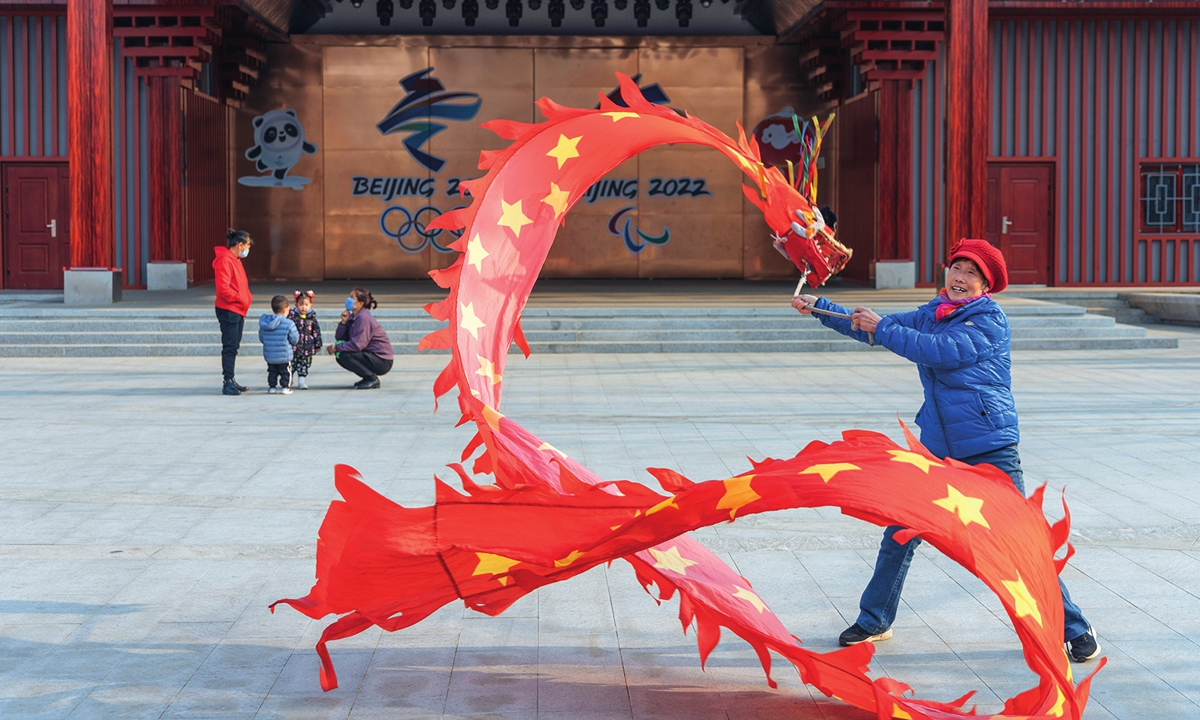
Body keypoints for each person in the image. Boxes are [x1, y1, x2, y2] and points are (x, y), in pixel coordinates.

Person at [792, 238, 1102, 664]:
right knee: (901, 533)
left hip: (989, 448)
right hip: (937, 449)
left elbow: (938, 352)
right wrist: (820, 308)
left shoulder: (988, 321)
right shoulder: (932, 313)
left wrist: (881, 326)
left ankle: (1075, 628)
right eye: (956, 268)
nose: (959, 278)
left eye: (971, 273)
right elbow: (871, 326)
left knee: (1021, 542)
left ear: (985, 285)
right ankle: (875, 619)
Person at [326, 287, 394, 389]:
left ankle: (371, 378)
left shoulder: (363, 318)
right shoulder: (354, 317)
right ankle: (367, 377)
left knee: (346, 355)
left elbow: (357, 345)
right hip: (370, 355)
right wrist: (344, 323)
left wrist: (336, 347)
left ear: (360, 304)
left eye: (352, 298)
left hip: (382, 360)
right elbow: (340, 337)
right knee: (341, 356)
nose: (348, 300)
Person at [213, 230, 254, 396]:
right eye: (248, 246)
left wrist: (245, 299)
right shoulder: (225, 260)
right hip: (230, 308)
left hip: (238, 308)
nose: (248, 249)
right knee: (230, 347)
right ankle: (227, 381)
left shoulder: (235, 260)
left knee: (234, 346)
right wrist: (240, 299)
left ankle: (231, 379)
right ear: (240, 245)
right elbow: (223, 289)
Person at [259, 295, 300, 395]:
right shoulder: (289, 323)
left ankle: (272, 387)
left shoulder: (265, 323)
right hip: (284, 355)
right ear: (285, 309)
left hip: (270, 354)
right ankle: (285, 386)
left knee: (272, 371)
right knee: (286, 371)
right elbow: (294, 339)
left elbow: (262, 338)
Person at [288, 290, 323, 390]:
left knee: (304, 365)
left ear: (310, 305)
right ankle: (289, 379)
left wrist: (317, 344)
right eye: (301, 304)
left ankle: (302, 381)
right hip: (294, 347)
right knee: (292, 364)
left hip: (307, 347)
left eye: (306, 305)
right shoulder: (292, 317)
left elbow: (316, 332)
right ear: (296, 304)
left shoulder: (312, 318)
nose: (304, 307)